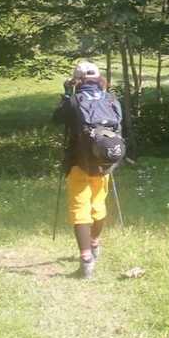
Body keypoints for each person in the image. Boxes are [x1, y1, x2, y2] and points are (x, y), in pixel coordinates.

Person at [52, 60, 123, 278]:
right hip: (104, 163)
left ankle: (86, 260)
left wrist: (66, 94)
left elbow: (57, 119)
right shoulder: (111, 99)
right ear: (99, 78)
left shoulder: (74, 101)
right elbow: (119, 126)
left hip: (79, 163)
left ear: (77, 80)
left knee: (80, 208)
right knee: (98, 205)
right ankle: (94, 243)